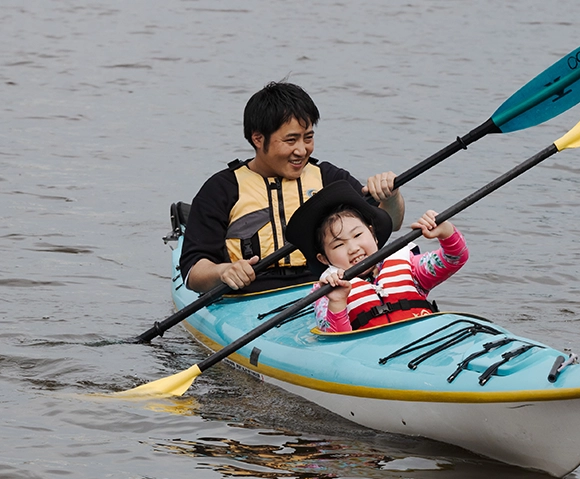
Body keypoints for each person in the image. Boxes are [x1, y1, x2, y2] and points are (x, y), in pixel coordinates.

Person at [179, 81, 406, 295]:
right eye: (290, 141)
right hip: (250, 298)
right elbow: (192, 273)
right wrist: (223, 272)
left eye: (308, 138)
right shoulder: (222, 189)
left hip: (328, 290)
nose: (302, 150)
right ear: (258, 139)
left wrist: (391, 195)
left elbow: (391, 223)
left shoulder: (332, 179)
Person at [285, 180, 468, 332]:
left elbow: (454, 258)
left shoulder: (410, 267)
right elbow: (335, 340)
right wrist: (338, 302)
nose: (353, 248)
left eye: (358, 235)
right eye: (339, 244)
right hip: (377, 360)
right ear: (323, 259)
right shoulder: (326, 292)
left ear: (372, 234)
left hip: (426, 343)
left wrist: (446, 232)